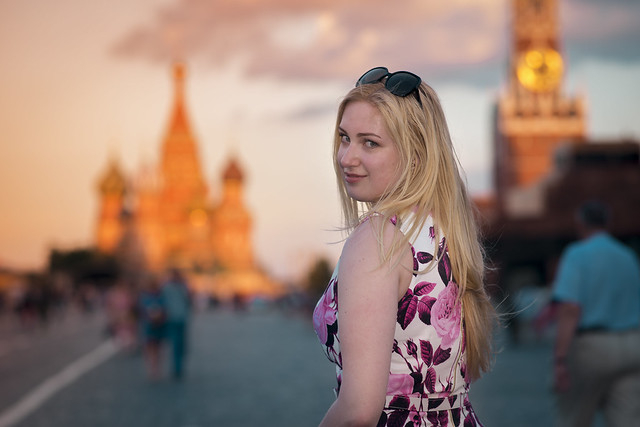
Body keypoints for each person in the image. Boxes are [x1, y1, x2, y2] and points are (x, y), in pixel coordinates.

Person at [313, 67, 496, 426]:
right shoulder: (442, 229)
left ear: (415, 155)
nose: (346, 157)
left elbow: (359, 410)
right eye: (344, 137)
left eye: (370, 143)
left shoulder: (378, 240)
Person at [549, 200, 640, 426]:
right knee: (627, 420)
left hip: (593, 347)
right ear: (608, 222)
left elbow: (570, 308)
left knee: (575, 417)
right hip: (632, 343)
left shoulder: (576, 254)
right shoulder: (627, 255)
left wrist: (560, 359)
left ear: (580, 223)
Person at [161, 268, 192, 379]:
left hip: (176, 317)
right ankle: (177, 367)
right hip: (176, 318)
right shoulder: (172, 287)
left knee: (178, 344)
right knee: (177, 344)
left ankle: (177, 367)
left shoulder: (168, 287)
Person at [137, 276, 166, 380]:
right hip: (151, 326)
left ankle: (152, 368)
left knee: (152, 348)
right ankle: (154, 368)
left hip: (152, 326)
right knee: (155, 349)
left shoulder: (146, 297)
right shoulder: (157, 297)